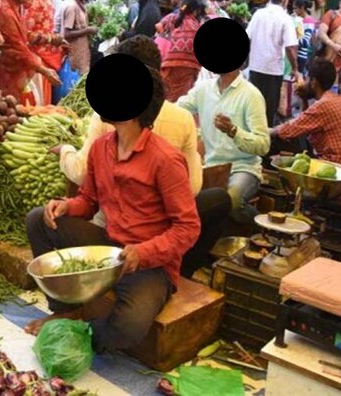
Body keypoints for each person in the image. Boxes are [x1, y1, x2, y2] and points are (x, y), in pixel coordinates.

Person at [25, 67, 201, 352]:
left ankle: (79, 331)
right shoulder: (101, 148)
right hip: (109, 247)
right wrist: (66, 206)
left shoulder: (165, 160)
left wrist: (143, 253)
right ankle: (65, 309)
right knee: (38, 220)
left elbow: (188, 228)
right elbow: (89, 200)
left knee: (128, 328)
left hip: (150, 266)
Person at [58, 36, 229, 277]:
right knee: (218, 199)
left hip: (130, 232)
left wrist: (65, 150)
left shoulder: (108, 121)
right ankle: (185, 268)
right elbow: (193, 187)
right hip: (143, 229)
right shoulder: (181, 119)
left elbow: (79, 172)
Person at [178, 61, 270, 225]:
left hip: (242, 168)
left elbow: (263, 145)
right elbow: (177, 110)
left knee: (232, 200)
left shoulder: (251, 95)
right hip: (210, 167)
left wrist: (234, 131)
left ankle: (264, 228)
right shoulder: (203, 89)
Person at [272, 58, 341, 169]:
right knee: (293, 138)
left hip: (336, 166)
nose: (305, 82)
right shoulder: (335, 99)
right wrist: (304, 100)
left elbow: (289, 130)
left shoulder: (324, 104)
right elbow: (304, 124)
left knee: (276, 140)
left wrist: (267, 132)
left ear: (313, 82)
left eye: (307, 79)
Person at [0, 0, 60, 102]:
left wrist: (50, 39)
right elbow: (17, 47)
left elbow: (24, 34)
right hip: (2, 67)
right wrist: (43, 70)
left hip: (14, 64)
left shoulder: (18, 5)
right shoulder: (4, 11)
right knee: (6, 107)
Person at [247, 0, 300, 126]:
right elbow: (290, 47)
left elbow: (248, 37)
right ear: (284, 0)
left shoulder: (259, 14)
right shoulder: (285, 18)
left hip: (256, 66)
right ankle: (265, 141)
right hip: (273, 69)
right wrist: (295, 68)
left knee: (253, 106)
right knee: (269, 109)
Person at [27, 0, 67, 105]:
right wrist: (52, 39)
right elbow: (26, 34)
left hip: (44, 61)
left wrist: (56, 40)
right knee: (37, 104)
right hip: (36, 62)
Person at [161, 0, 203, 102]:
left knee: (167, 95)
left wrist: (168, 38)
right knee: (181, 100)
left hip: (168, 66)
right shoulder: (196, 26)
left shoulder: (173, 18)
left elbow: (158, 26)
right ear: (195, 11)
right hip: (187, 69)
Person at [61, 0, 97, 74]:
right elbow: (66, 34)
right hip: (75, 55)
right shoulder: (72, 7)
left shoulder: (81, 5)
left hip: (82, 53)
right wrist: (87, 30)